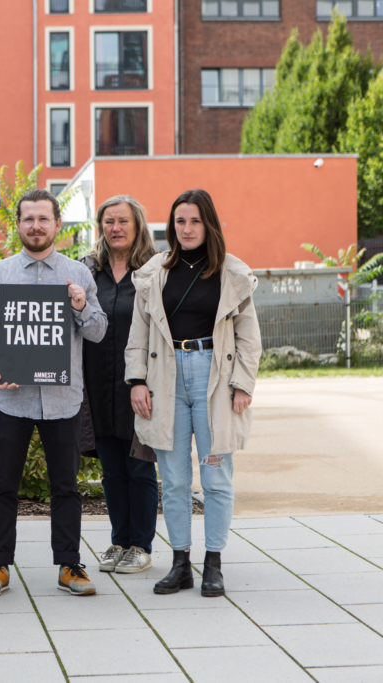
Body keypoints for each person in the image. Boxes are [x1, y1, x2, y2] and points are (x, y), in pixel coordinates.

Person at [0, 189, 107, 598]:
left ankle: (69, 565)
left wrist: (81, 306)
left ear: (57, 225)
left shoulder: (78, 274)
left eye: (43, 219)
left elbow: (97, 331)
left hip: (63, 400)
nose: (36, 226)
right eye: (28, 219)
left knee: (66, 486)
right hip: (13, 398)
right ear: (18, 224)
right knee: (3, 485)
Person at [125, 189, 261, 598]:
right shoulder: (153, 272)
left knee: (217, 476)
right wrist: (137, 381)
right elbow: (138, 334)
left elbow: (249, 338)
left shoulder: (233, 273)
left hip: (214, 377)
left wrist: (242, 384)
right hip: (165, 376)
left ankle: (213, 564)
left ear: (209, 225)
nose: (186, 229)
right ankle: (180, 562)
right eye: (180, 221)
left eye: (195, 221)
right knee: (174, 479)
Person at [80, 196, 159, 575]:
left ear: (137, 225)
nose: (116, 228)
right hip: (97, 385)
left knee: (139, 466)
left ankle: (141, 545)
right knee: (111, 470)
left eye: (123, 221)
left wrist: (144, 380)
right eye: (109, 221)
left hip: (138, 385)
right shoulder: (87, 271)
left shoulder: (154, 271)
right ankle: (119, 540)